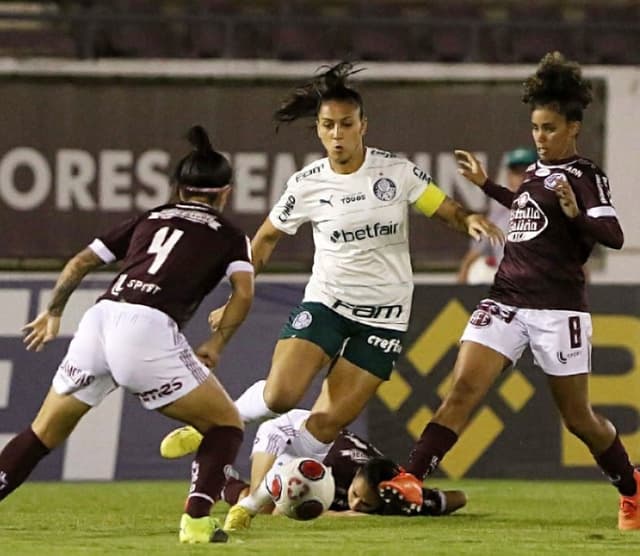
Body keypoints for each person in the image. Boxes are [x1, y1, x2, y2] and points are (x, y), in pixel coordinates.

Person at [159, 61, 503, 528]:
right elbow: (263, 240)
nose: (337, 134)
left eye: (345, 124)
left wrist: (468, 220)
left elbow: (441, 207)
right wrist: (236, 288)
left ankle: (252, 503)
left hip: (383, 318)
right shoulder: (307, 183)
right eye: (327, 126)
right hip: (327, 303)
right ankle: (221, 422)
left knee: (324, 424)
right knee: (281, 396)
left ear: (363, 125)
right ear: (318, 130)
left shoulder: (396, 173)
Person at [378, 52, 639, 531]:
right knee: (461, 389)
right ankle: (410, 477)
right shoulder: (537, 174)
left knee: (579, 419)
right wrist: (488, 186)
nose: (540, 137)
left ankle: (632, 486)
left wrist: (575, 212)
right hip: (504, 301)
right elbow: (527, 207)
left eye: (550, 128)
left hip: (557, 310)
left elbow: (613, 234)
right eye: (536, 128)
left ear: (574, 128)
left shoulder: (585, 176)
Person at [0, 126, 255, 544]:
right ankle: (195, 522)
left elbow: (81, 261)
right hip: (148, 330)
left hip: (99, 319)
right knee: (225, 423)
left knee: (41, 432)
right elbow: (243, 293)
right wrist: (216, 344)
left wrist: (53, 312)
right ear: (225, 192)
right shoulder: (230, 236)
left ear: (178, 188)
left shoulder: (149, 217)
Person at [162, 408, 467, 528]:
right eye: (358, 495)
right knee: (272, 503)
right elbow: (285, 510)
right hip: (293, 440)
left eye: (366, 503)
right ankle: (222, 480)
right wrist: (346, 514)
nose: (358, 503)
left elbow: (458, 498)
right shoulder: (335, 468)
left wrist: (419, 499)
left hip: (316, 441)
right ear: (356, 479)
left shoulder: (392, 489)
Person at [456, 147, 537, 284]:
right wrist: (459, 289)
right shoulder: (498, 214)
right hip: (511, 286)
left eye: (527, 172)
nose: (522, 177)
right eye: (517, 172)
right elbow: (474, 254)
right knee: (479, 271)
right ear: (509, 176)